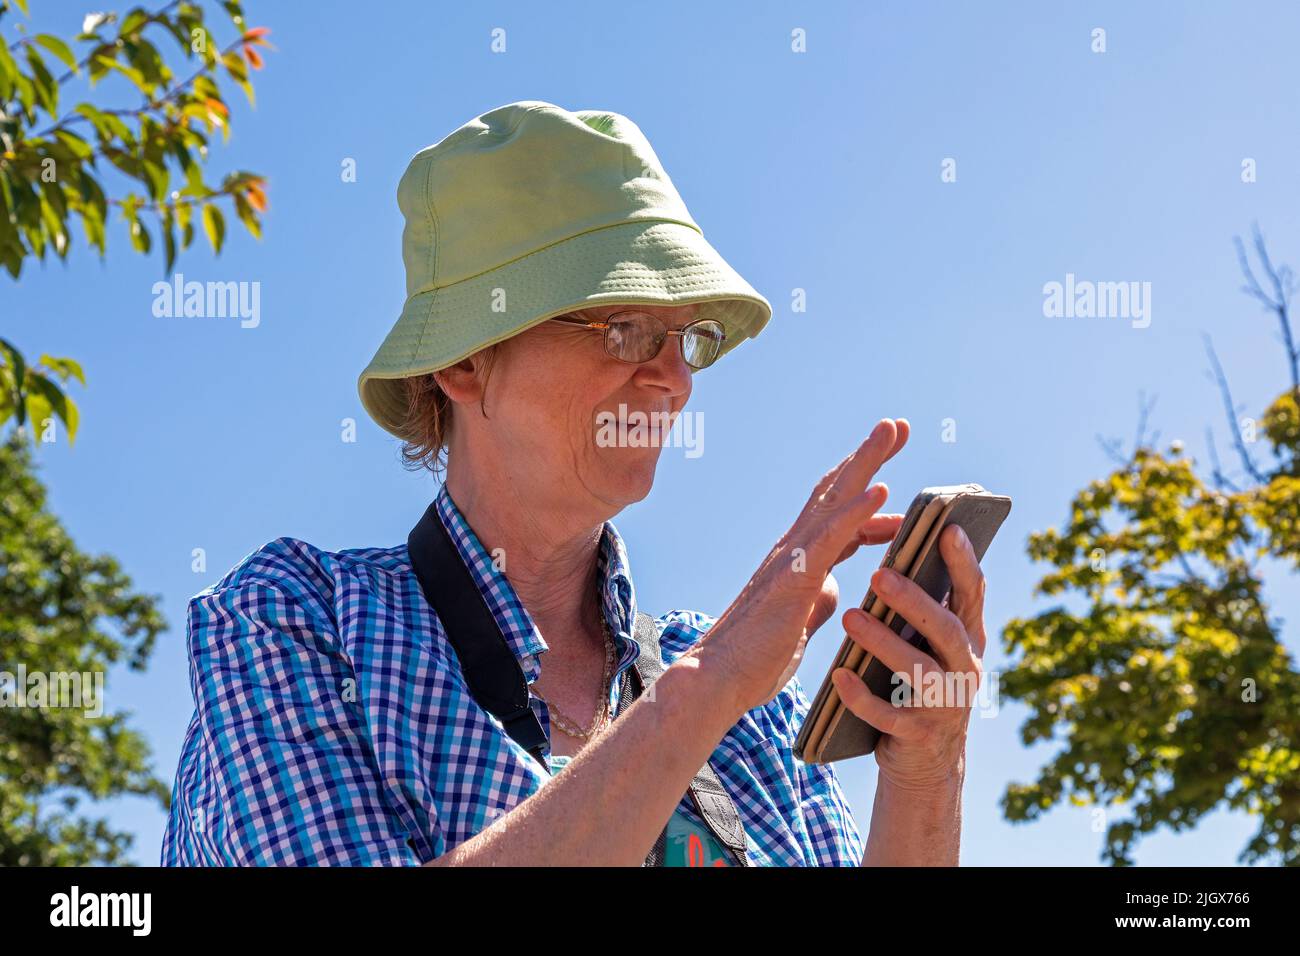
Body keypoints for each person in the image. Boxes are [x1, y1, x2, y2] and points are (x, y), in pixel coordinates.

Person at [161, 101, 989, 866]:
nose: (676, 379)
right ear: (463, 361)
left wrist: (924, 770)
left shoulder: (742, 680)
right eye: (623, 326)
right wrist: (706, 689)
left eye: (687, 336)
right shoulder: (293, 621)